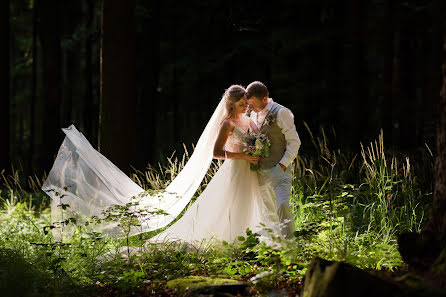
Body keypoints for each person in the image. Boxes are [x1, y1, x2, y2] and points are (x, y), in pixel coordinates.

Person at [42, 84, 280, 242]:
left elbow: (259, 138)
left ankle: (258, 238)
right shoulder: (227, 124)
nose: (245, 107)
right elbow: (216, 153)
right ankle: (233, 240)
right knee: (231, 205)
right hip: (235, 171)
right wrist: (242, 155)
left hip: (251, 170)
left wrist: (259, 148)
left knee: (256, 203)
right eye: (241, 104)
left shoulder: (249, 121)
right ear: (231, 104)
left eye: (246, 104)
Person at [246, 81, 301, 239]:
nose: (251, 109)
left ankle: (291, 245)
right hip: (260, 171)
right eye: (249, 105)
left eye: (253, 105)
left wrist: (282, 165)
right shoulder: (252, 113)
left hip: (279, 168)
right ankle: (277, 246)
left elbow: (294, 142)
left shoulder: (281, 112)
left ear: (265, 99)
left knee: (282, 205)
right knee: (268, 211)